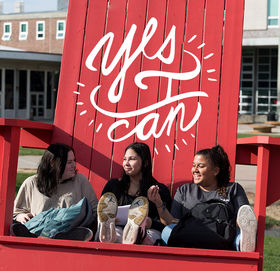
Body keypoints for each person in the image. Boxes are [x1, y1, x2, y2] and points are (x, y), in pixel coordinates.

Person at [148, 145, 257, 252]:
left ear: (215, 171)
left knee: (239, 236)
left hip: (222, 237)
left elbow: (243, 218)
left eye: (200, 166)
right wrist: (158, 202)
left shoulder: (232, 189)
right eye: (193, 165)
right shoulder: (185, 190)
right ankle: (240, 244)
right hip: (191, 235)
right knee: (167, 231)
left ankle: (243, 244)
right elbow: (172, 222)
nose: (195, 170)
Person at [12, 143, 98, 241]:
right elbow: (16, 212)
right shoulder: (31, 183)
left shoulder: (80, 181)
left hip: (69, 231)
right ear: (53, 163)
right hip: (37, 230)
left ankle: (57, 235)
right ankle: (47, 236)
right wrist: (21, 216)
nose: (74, 165)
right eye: (69, 162)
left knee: (73, 213)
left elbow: (95, 211)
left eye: (74, 161)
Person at [96, 142, 172, 245]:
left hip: (148, 230)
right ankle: (108, 231)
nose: (126, 163)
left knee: (147, 237)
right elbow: (100, 211)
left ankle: (137, 233)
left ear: (145, 163)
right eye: (124, 159)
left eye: (132, 159)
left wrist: (150, 222)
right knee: (117, 234)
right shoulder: (113, 185)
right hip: (117, 227)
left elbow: (168, 225)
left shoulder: (158, 190)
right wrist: (112, 219)